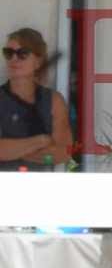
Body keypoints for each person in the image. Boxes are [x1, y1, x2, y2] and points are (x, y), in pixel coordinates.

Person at [1, 27, 71, 172]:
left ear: (38, 62)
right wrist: (41, 141)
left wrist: (17, 151)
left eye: (22, 54)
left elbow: (63, 153)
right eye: (8, 53)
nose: (14, 59)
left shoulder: (54, 100)